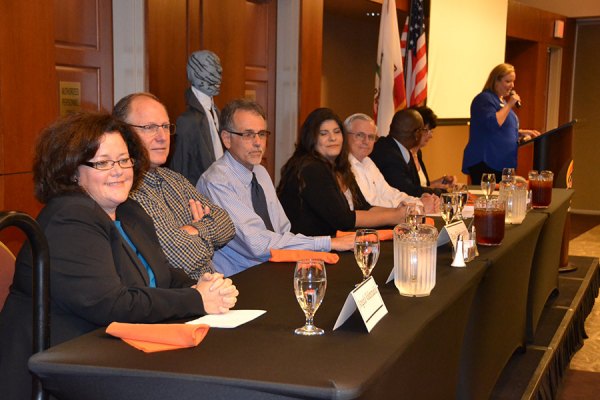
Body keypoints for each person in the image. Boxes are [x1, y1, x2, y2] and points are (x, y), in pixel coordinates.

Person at [0, 111, 238, 400]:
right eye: (103, 163)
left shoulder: (129, 211)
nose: (119, 170)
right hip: (62, 367)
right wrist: (197, 299)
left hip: (113, 351)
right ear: (72, 171)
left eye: (124, 160)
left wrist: (203, 284)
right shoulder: (70, 217)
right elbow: (110, 304)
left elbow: (159, 272)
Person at [197, 99, 355, 277]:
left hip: (272, 268)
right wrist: (327, 243)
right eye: (248, 135)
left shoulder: (260, 172)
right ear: (227, 139)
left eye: (262, 134)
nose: (258, 143)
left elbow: (283, 229)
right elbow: (256, 244)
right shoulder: (217, 181)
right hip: (240, 278)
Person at [113, 92, 235, 280]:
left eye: (165, 126)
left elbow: (227, 225)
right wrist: (206, 231)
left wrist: (195, 229)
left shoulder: (174, 179)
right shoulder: (125, 190)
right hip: (182, 301)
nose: (162, 137)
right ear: (122, 133)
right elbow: (185, 259)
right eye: (150, 127)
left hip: (214, 291)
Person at [277, 108, 407, 237]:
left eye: (337, 132)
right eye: (324, 133)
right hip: (310, 250)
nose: (332, 138)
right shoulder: (311, 168)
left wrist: (400, 212)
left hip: (337, 243)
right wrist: (394, 216)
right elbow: (343, 220)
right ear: (311, 138)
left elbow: (364, 207)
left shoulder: (341, 166)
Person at [462, 63, 540, 184]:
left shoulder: (502, 102)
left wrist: (519, 133)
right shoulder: (484, 99)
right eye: (508, 81)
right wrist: (510, 104)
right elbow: (492, 123)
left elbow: (501, 129)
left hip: (502, 164)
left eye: (513, 81)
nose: (512, 85)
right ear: (496, 81)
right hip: (487, 162)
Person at [344, 112, 439, 212]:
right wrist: (419, 205)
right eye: (360, 135)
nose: (366, 141)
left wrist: (417, 200)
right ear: (345, 136)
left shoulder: (367, 161)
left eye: (371, 137)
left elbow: (389, 193)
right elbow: (371, 204)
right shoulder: (344, 166)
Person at [169, 50, 223, 185]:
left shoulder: (219, 115)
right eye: (209, 66)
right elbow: (180, 172)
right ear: (192, 73)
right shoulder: (187, 122)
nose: (219, 71)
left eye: (218, 66)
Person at [370, 108, 443, 197]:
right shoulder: (388, 153)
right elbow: (407, 190)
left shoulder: (399, 149)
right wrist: (443, 193)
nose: (430, 135)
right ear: (417, 134)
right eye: (423, 130)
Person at [412, 106, 456, 190]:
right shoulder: (403, 156)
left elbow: (423, 186)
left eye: (431, 131)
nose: (431, 135)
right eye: (427, 130)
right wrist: (433, 187)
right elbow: (410, 191)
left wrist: (438, 182)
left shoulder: (418, 153)